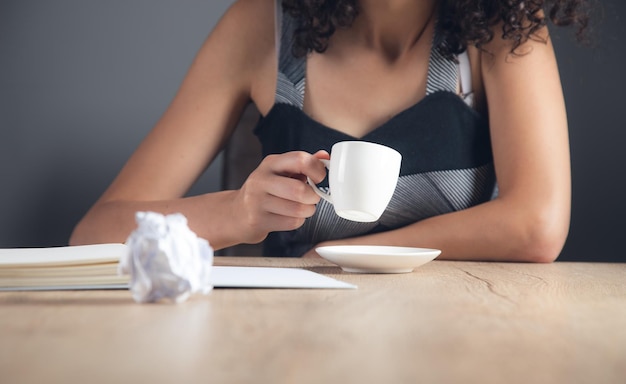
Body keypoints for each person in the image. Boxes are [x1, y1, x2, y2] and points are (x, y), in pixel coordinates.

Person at [70, 0, 590, 262]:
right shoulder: (260, 26)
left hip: (459, 346)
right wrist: (236, 214)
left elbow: (537, 223)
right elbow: (94, 234)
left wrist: (340, 256)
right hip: (290, 353)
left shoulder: (501, 26)